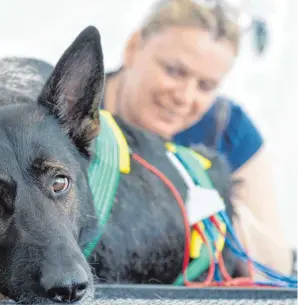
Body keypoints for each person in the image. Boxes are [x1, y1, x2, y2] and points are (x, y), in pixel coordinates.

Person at [102, 0, 294, 278]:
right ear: (133, 47)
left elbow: (276, 269)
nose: (184, 97)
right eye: (174, 71)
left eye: (206, 86)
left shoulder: (228, 132)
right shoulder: (71, 109)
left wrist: (218, 196)